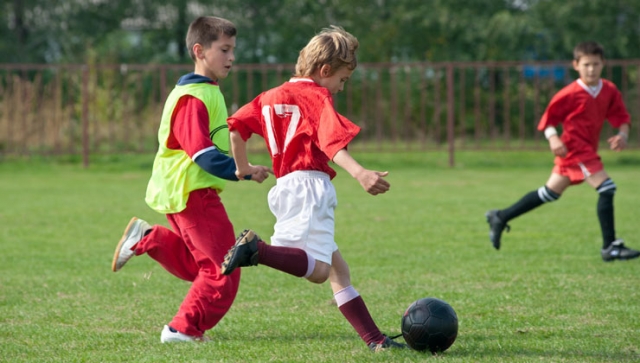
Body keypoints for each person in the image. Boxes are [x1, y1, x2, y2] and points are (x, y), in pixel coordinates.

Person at [219, 26, 406, 353]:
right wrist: (360, 173)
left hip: (286, 186)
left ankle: (376, 341)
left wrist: (243, 168)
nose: (341, 89)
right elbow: (331, 142)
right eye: (342, 80)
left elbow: (235, 128)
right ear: (324, 71)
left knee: (338, 269)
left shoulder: (269, 96)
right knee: (318, 272)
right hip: (310, 185)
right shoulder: (316, 96)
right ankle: (256, 250)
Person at [110, 16, 270, 343]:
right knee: (224, 268)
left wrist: (244, 166)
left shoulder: (205, 92)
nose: (231, 57)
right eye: (224, 49)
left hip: (185, 193)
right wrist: (241, 171)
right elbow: (202, 155)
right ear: (199, 50)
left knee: (202, 268)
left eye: (233, 50)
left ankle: (148, 238)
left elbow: (208, 152)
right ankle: (181, 329)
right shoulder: (193, 97)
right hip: (192, 195)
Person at [485, 41, 639, 262]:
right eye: (586, 64)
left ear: (603, 64)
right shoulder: (569, 93)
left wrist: (622, 135)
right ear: (576, 65)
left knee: (550, 193)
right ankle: (610, 247)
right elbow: (548, 120)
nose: (591, 69)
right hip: (574, 149)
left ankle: (500, 217)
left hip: (585, 150)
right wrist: (553, 138)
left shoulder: (609, 90)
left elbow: (622, 118)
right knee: (607, 188)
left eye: (596, 64)